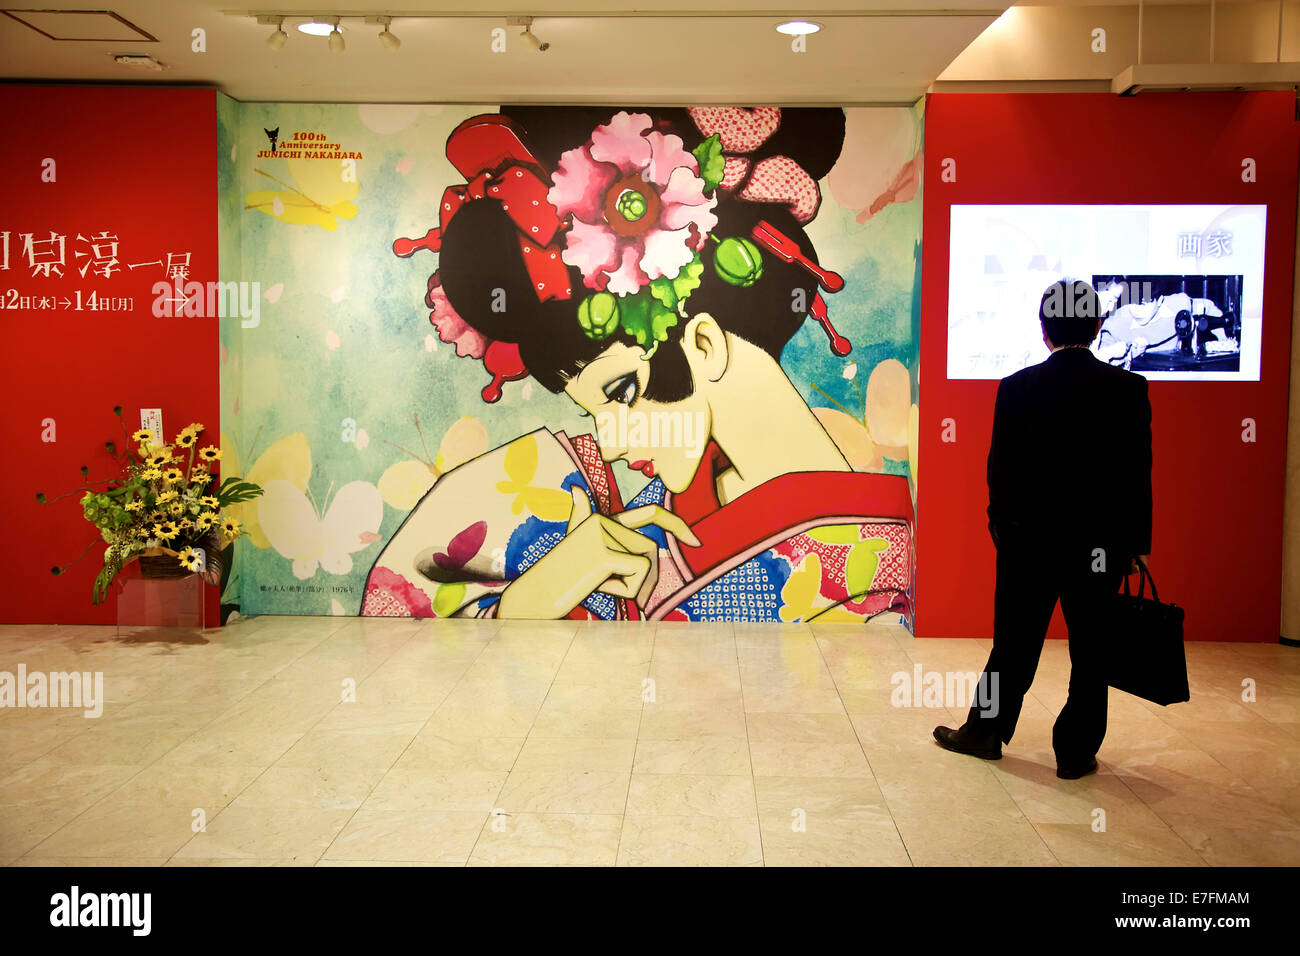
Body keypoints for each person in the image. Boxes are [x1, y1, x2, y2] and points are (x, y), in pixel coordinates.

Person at [361, 107, 914, 622]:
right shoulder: (615, 505)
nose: (613, 444)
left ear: (704, 346)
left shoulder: (871, 575)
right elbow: (393, 615)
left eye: (622, 392)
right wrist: (538, 594)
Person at [934, 278, 1153, 779]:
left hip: (1027, 545)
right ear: (1098, 328)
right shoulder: (1128, 389)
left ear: (1043, 330)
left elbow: (1000, 471)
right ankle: (1075, 753)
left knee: (1011, 645)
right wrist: (1136, 544)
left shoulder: (1017, 388)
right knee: (1092, 651)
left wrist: (1002, 531)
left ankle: (985, 732)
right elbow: (1137, 473)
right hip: (1100, 548)